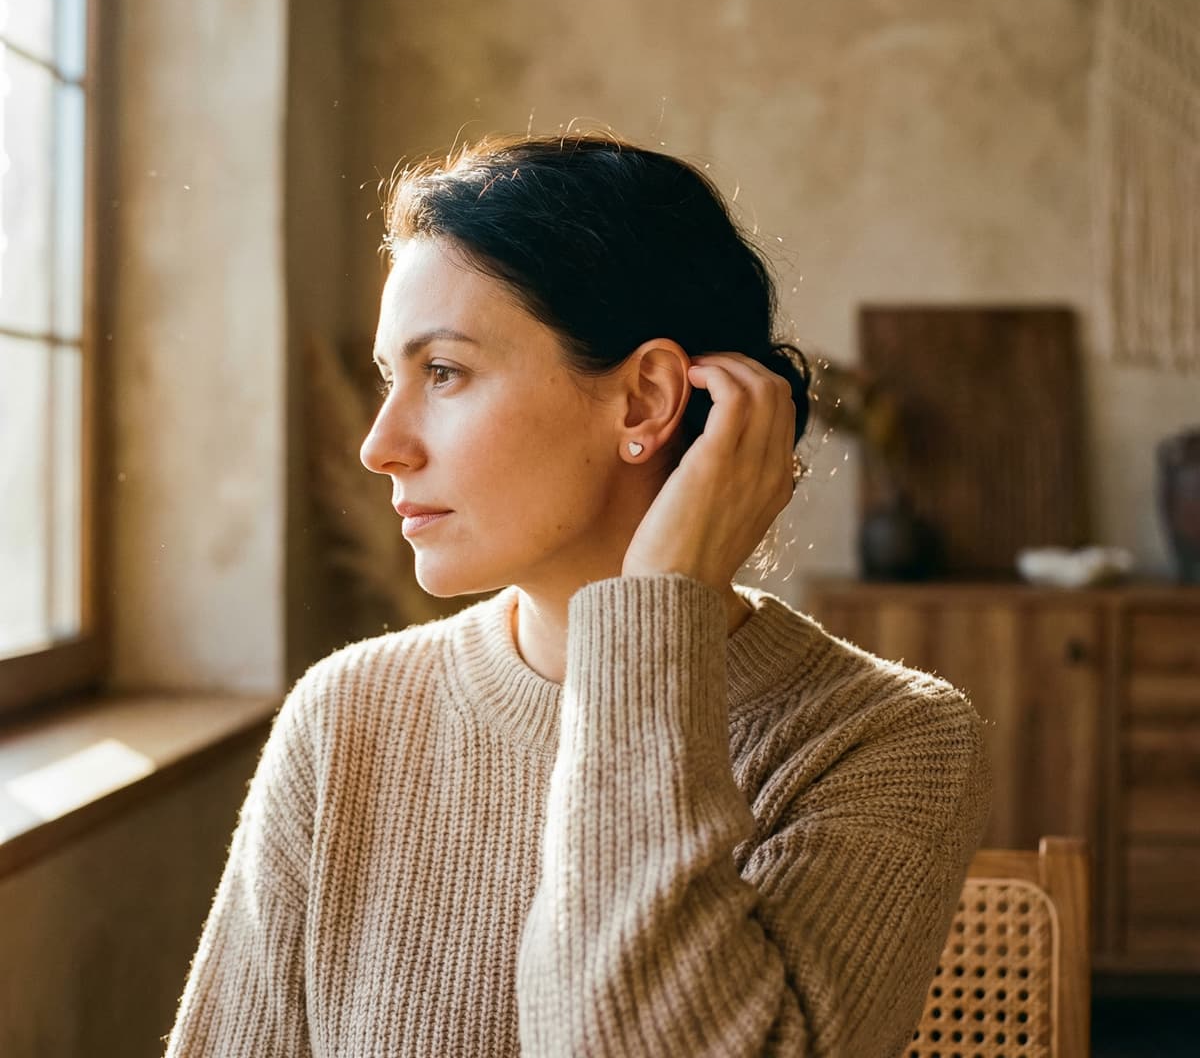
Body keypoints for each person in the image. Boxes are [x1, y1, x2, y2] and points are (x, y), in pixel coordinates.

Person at [163, 133, 990, 1057]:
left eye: (443, 373)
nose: (381, 445)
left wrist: (655, 611)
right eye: (390, 378)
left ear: (643, 401)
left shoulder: (882, 737)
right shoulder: (346, 713)